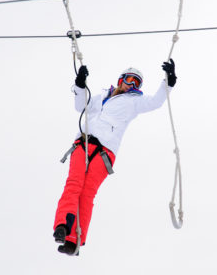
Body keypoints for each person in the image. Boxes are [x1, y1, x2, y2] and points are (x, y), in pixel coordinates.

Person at [53, 59, 177, 255]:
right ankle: (63, 226)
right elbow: (80, 107)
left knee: (87, 193)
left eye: (136, 83)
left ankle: (75, 239)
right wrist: (79, 84)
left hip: (105, 150)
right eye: (129, 79)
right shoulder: (101, 96)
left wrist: (168, 81)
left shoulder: (135, 101)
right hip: (83, 143)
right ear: (121, 80)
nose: (131, 85)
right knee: (73, 184)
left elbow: (156, 102)